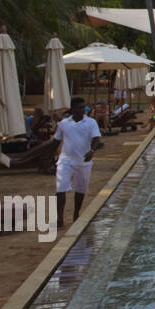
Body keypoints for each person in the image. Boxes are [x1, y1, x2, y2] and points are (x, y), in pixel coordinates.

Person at [52, 96, 103, 226]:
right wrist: (50, 155)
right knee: (60, 189)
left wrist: (92, 150)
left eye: (83, 108)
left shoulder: (91, 122)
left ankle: (76, 214)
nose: (83, 110)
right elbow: (56, 141)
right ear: (73, 109)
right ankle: (59, 218)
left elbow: (96, 138)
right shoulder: (63, 124)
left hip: (83, 162)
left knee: (81, 189)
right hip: (65, 161)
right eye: (80, 108)